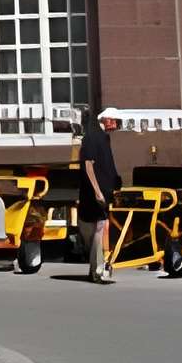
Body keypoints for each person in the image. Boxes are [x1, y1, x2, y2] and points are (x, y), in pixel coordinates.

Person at [78, 104, 122, 284]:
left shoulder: (104, 138)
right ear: (107, 120)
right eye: (116, 121)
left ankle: (95, 269)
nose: (117, 125)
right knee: (98, 228)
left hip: (104, 191)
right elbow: (88, 164)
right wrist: (97, 191)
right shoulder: (92, 137)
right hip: (96, 193)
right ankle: (97, 270)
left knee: (100, 227)